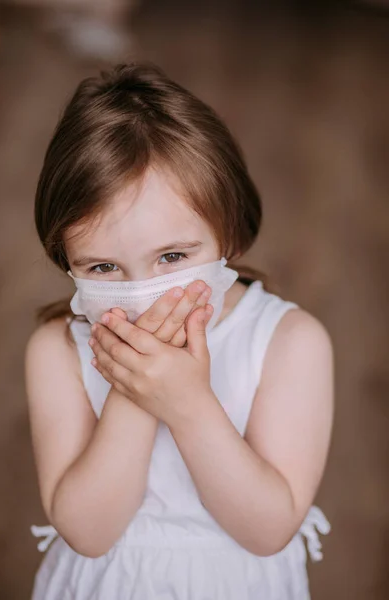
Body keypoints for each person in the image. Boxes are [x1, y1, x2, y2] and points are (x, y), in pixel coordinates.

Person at [25, 62, 334, 600]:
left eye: (171, 256)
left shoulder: (290, 342)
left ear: (228, 234)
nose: (145, 294)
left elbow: (266, 531)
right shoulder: (56, 349)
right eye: (103, 268)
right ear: (66, 261)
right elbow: (88, 534)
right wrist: (135, 393)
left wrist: (188, 404)